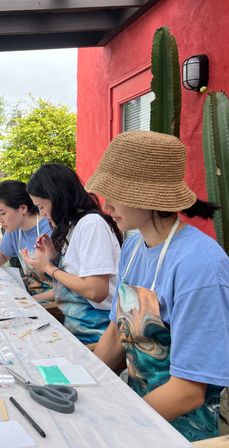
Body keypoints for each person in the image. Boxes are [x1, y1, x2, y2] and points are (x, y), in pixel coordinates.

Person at [86, 131, 229, 442]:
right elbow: (116, 332)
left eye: (116, 193)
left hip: (183, 428)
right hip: (137, 407)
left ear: (149, 196)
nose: (106, 205)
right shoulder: (133, 246)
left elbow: (190, 391)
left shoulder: (200, 265)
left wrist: (118, 426)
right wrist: (83, 386)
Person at [22, 163, 123, 344]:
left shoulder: (91, 224)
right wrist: (51, 256)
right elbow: (73, 279)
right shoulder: (73, 226)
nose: (42, 214)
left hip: (98, 332)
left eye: (42, 206)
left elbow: (96, 290)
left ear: (58, 197)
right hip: (75, 328)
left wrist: (49, 267)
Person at [0, 180, 51, 292]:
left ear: (23, 208)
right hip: (32, 292)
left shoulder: (48, 228)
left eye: (2, 213)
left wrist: (31, 301)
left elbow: (65, 288)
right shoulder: (14, 229)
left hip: (55, 301)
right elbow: (2, 254)